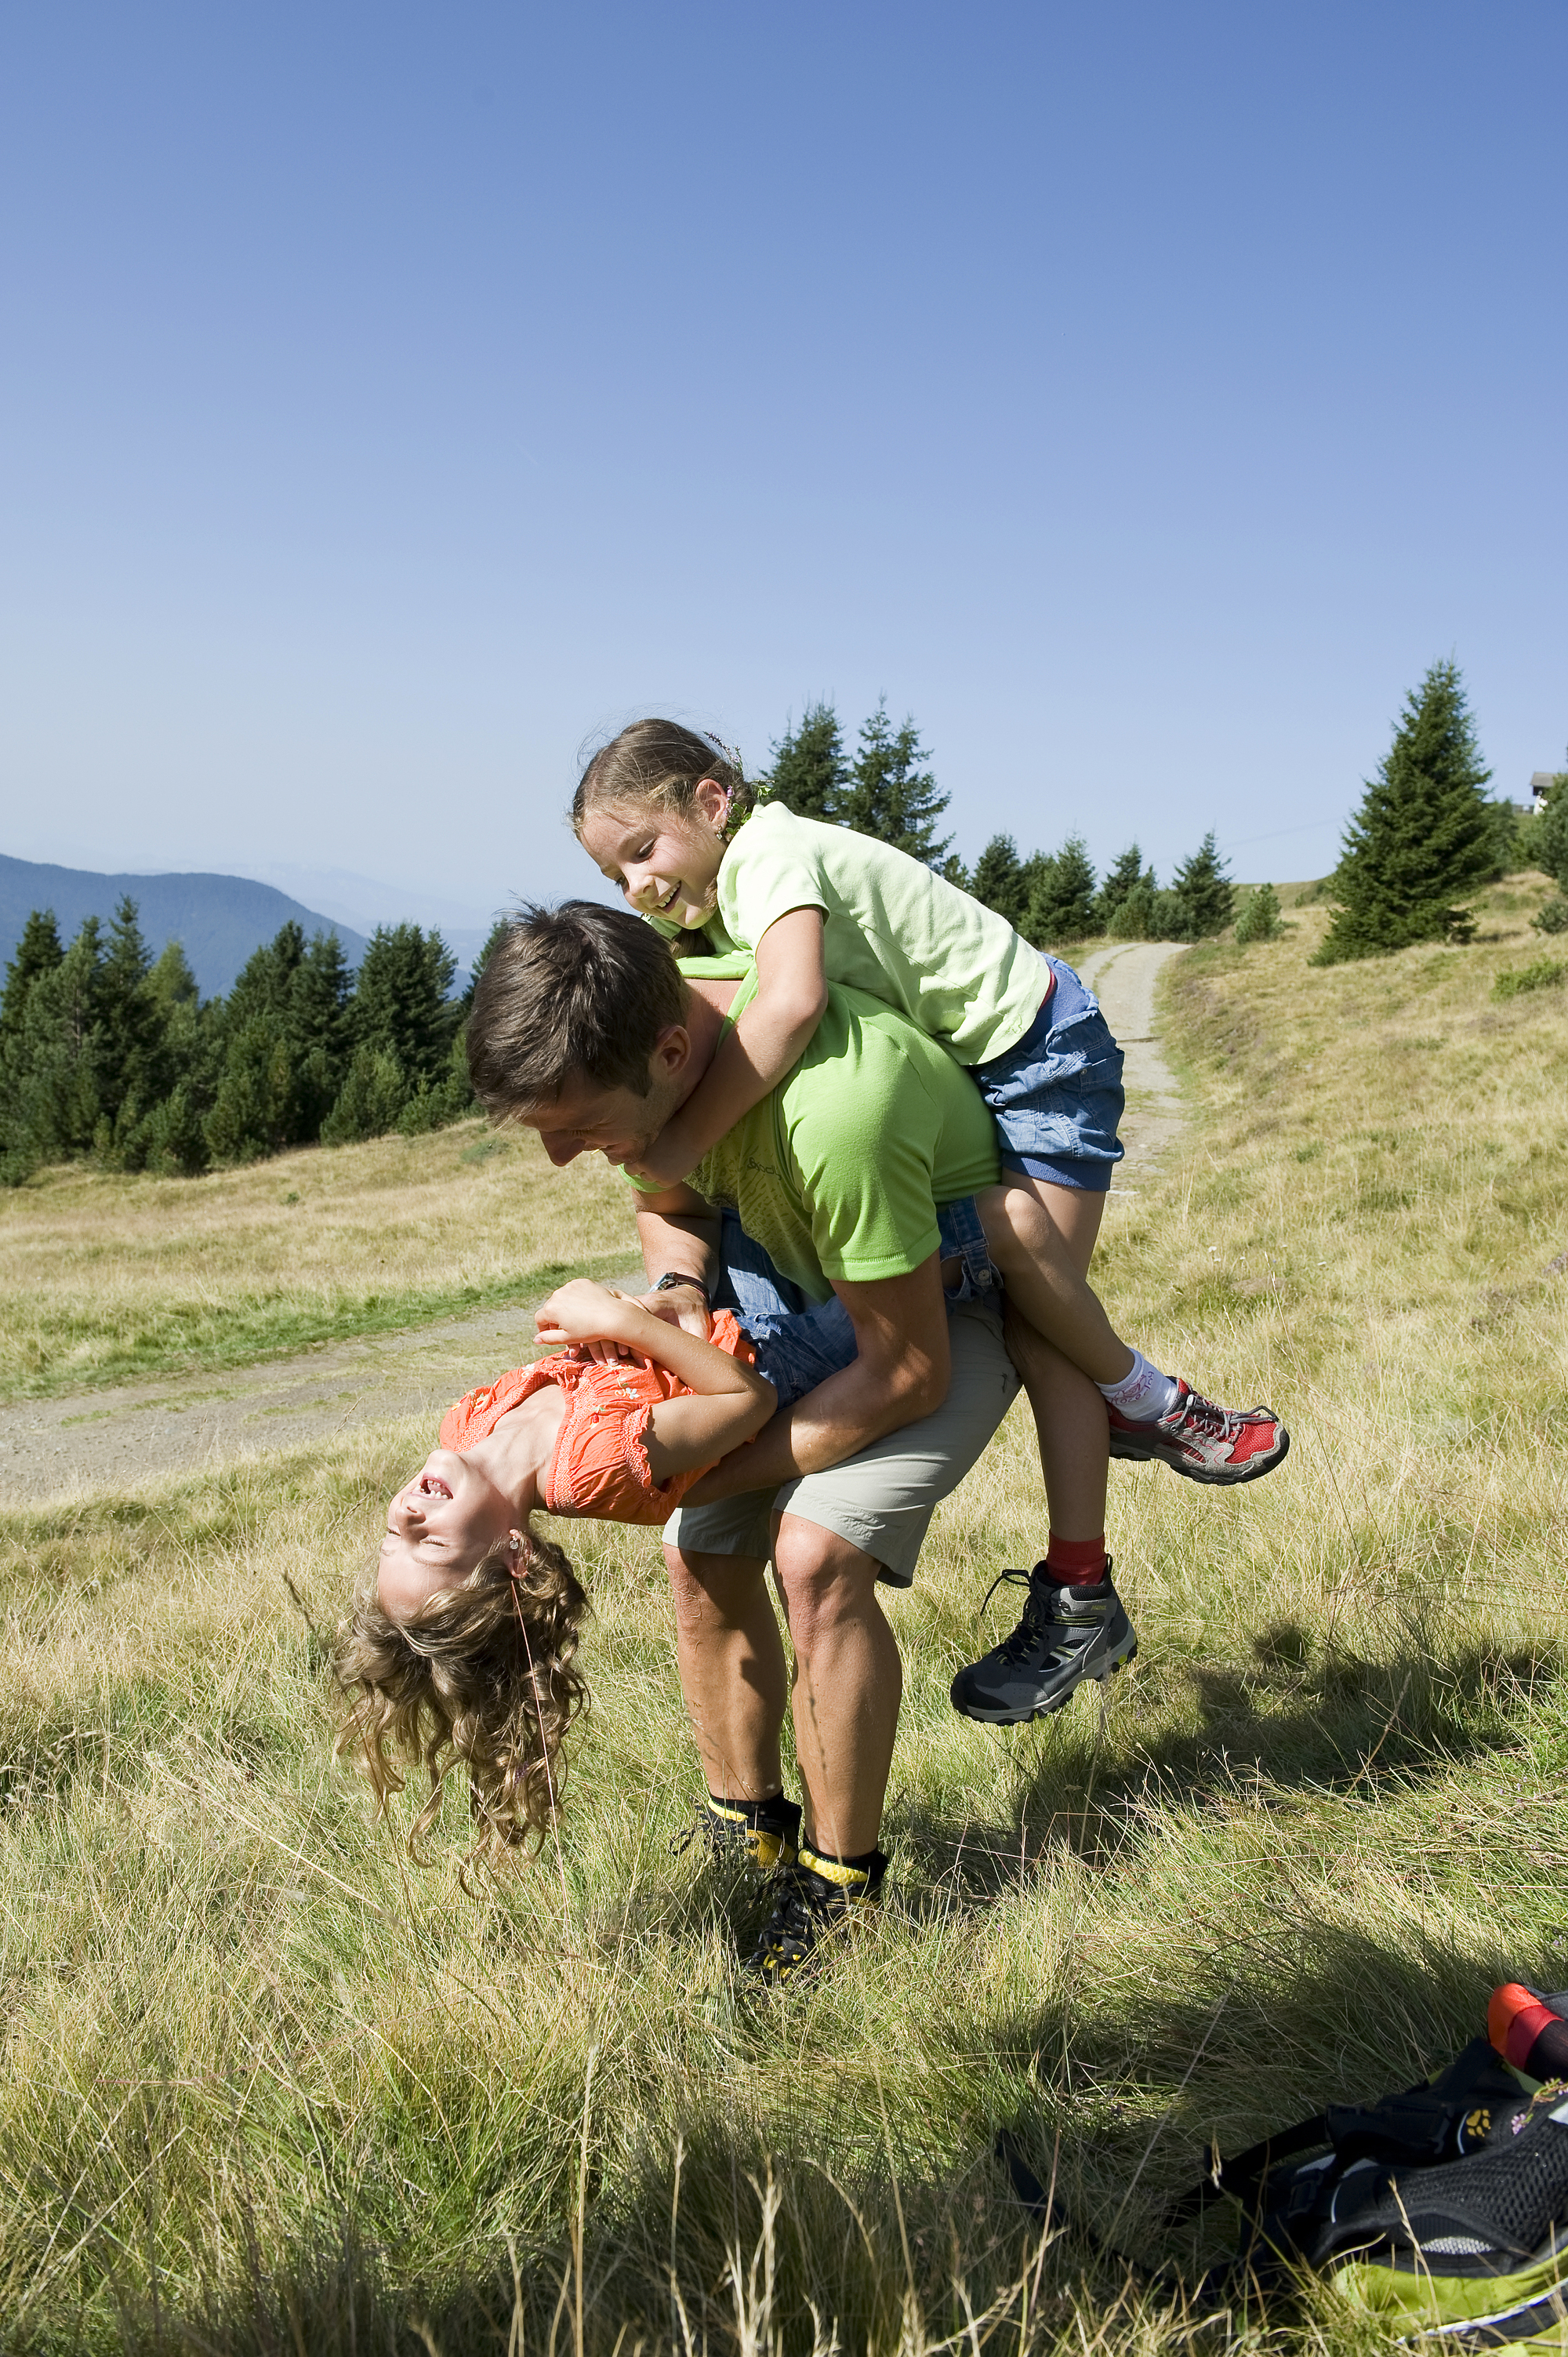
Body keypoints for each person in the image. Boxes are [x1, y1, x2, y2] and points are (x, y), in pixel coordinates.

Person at [569, 717, 1287, 1721]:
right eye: (615, 876)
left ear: (712, 800)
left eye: (643, 851)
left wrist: (677, 1148)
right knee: (1025, 1288)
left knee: (1046, 1323)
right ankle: (1124, 1442)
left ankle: (1128, 1473)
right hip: (963, 1069)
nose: (639, 887)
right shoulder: (713, 899)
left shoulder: (773, 853)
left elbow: (787, 1006)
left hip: (1035, 1055)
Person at [466, 902, 1123, 1981]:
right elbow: (672, 1191)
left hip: (948, 1311)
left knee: (814, 1556)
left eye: (576, 1126)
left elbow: (907, 1370)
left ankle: (839, 1881)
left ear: (675, 1054)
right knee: (699, 1548)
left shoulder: (836, 1111)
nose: (556, 1157)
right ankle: (748, 1825)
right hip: (802, 1300)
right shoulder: (662, 1034)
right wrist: (678, 1286)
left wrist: (717, 1462)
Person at [336, 1274, 776, 1868]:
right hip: (772, 1338)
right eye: (431, 1544)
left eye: (395, 1537)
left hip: (702, 1299)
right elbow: (748, 1402)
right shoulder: (591, 1468)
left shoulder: (467, 1426)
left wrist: (600, 1322)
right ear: (514, 1553)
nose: (408, 1512)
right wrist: (624, 1325)